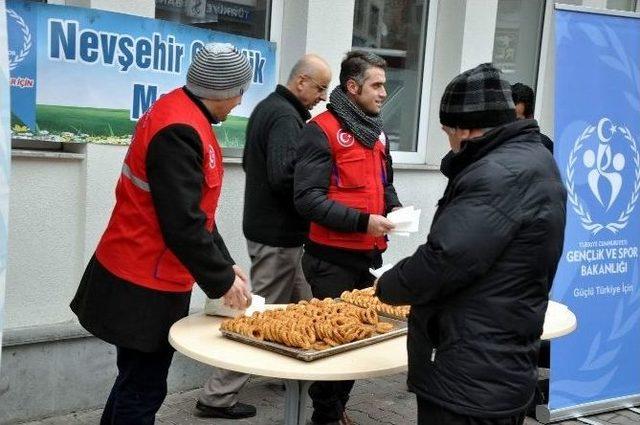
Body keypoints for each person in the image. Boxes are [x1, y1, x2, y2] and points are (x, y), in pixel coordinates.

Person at [69, 43, 253, 425]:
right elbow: (182, 223)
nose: (239, 101)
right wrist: (220, 281)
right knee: (144, 387)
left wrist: (226, 262)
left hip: (143, 271)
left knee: (135, 381)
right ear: (221, 90)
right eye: (239, 91)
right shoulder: (180, 130)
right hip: (142, 279)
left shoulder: (183, 113)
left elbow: (198, 212)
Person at [376, 63, 567, 425]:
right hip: (500, 362)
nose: (448, 141)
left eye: (447, 131)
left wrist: (387, 285)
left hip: (469, 376)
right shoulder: (535, 159)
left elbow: (445, 259)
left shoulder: (495, 175)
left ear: (466, 129)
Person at [195, 54, 332, 419]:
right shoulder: (286, 117)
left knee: (305, 307)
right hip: (277, 235)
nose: (323, 96)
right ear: (300, 81)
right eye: (320, 87)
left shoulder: (270, 108)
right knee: (256, 321)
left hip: (274, 232)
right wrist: (321, 191)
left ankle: (290, 370)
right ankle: (216, 397)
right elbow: (283, 176)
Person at [294, 50, 402, 425]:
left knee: (357, 341)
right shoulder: (320, 130)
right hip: (331, 260)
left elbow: (384, 184)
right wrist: (362, 222)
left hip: (367, 257)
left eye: (384, 85)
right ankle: (324, 416)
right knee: (334, 345)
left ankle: (337, 410)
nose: (383, 92)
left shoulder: (377, 132)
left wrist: (396, 209)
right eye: (376, 85)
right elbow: (306, 199)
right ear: (352, 87)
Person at [511, 82, 553, 152]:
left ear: (529, 118)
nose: (508, 125)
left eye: (516, 121)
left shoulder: (544, 146)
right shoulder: (495, 143)